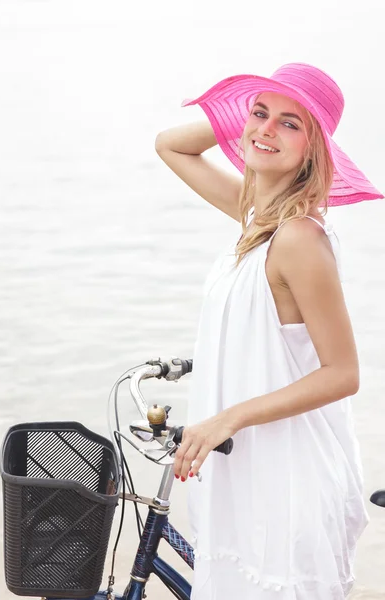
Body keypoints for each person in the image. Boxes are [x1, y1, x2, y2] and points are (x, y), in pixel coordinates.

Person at [155, 63, 383, 599]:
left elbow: (343, 374)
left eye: (291, 124)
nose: (265, 130)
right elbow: (171, 145)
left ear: (314, 148)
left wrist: (226, 419)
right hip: (249, 470)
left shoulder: (299, 238)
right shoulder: (258, 214)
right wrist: (246, 116)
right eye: (259, 114)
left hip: (288, 478)